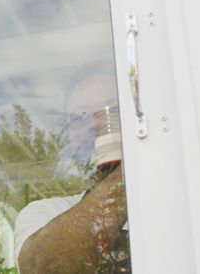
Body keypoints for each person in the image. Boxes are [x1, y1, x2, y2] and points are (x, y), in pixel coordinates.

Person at [14, 73, 130, 274]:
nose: (99, 122)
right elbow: (41, 268)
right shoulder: (47, 212)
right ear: (72, 136)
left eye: (114, 109)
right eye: (81, 116)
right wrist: (121, 174)